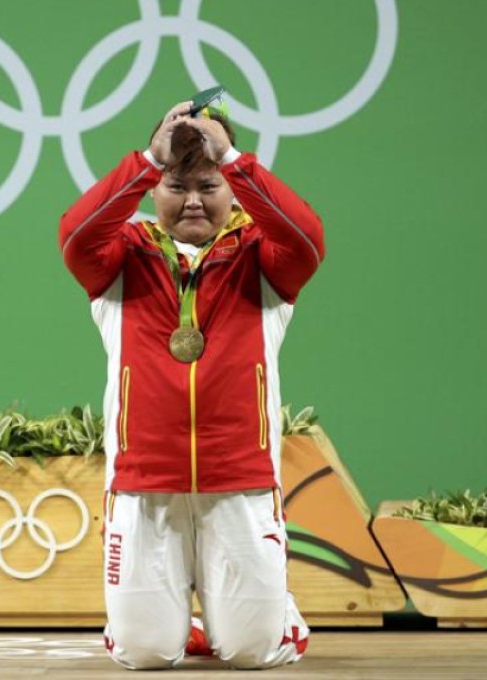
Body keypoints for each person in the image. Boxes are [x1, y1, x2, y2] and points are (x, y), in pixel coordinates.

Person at [58, 100, 324, 670]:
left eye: (210, 184)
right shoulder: (119, 257)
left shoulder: (264, 257)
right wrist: (150, 158)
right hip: (143, 481)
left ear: (231, 187)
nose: (195, 200)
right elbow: (75, 236)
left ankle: (276, 615)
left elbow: (308, 239)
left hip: (241, 480)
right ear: (156, 190)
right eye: (177, 186)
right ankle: (185, 623)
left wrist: (233, 158)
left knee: (253, 653)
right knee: (143, 654)